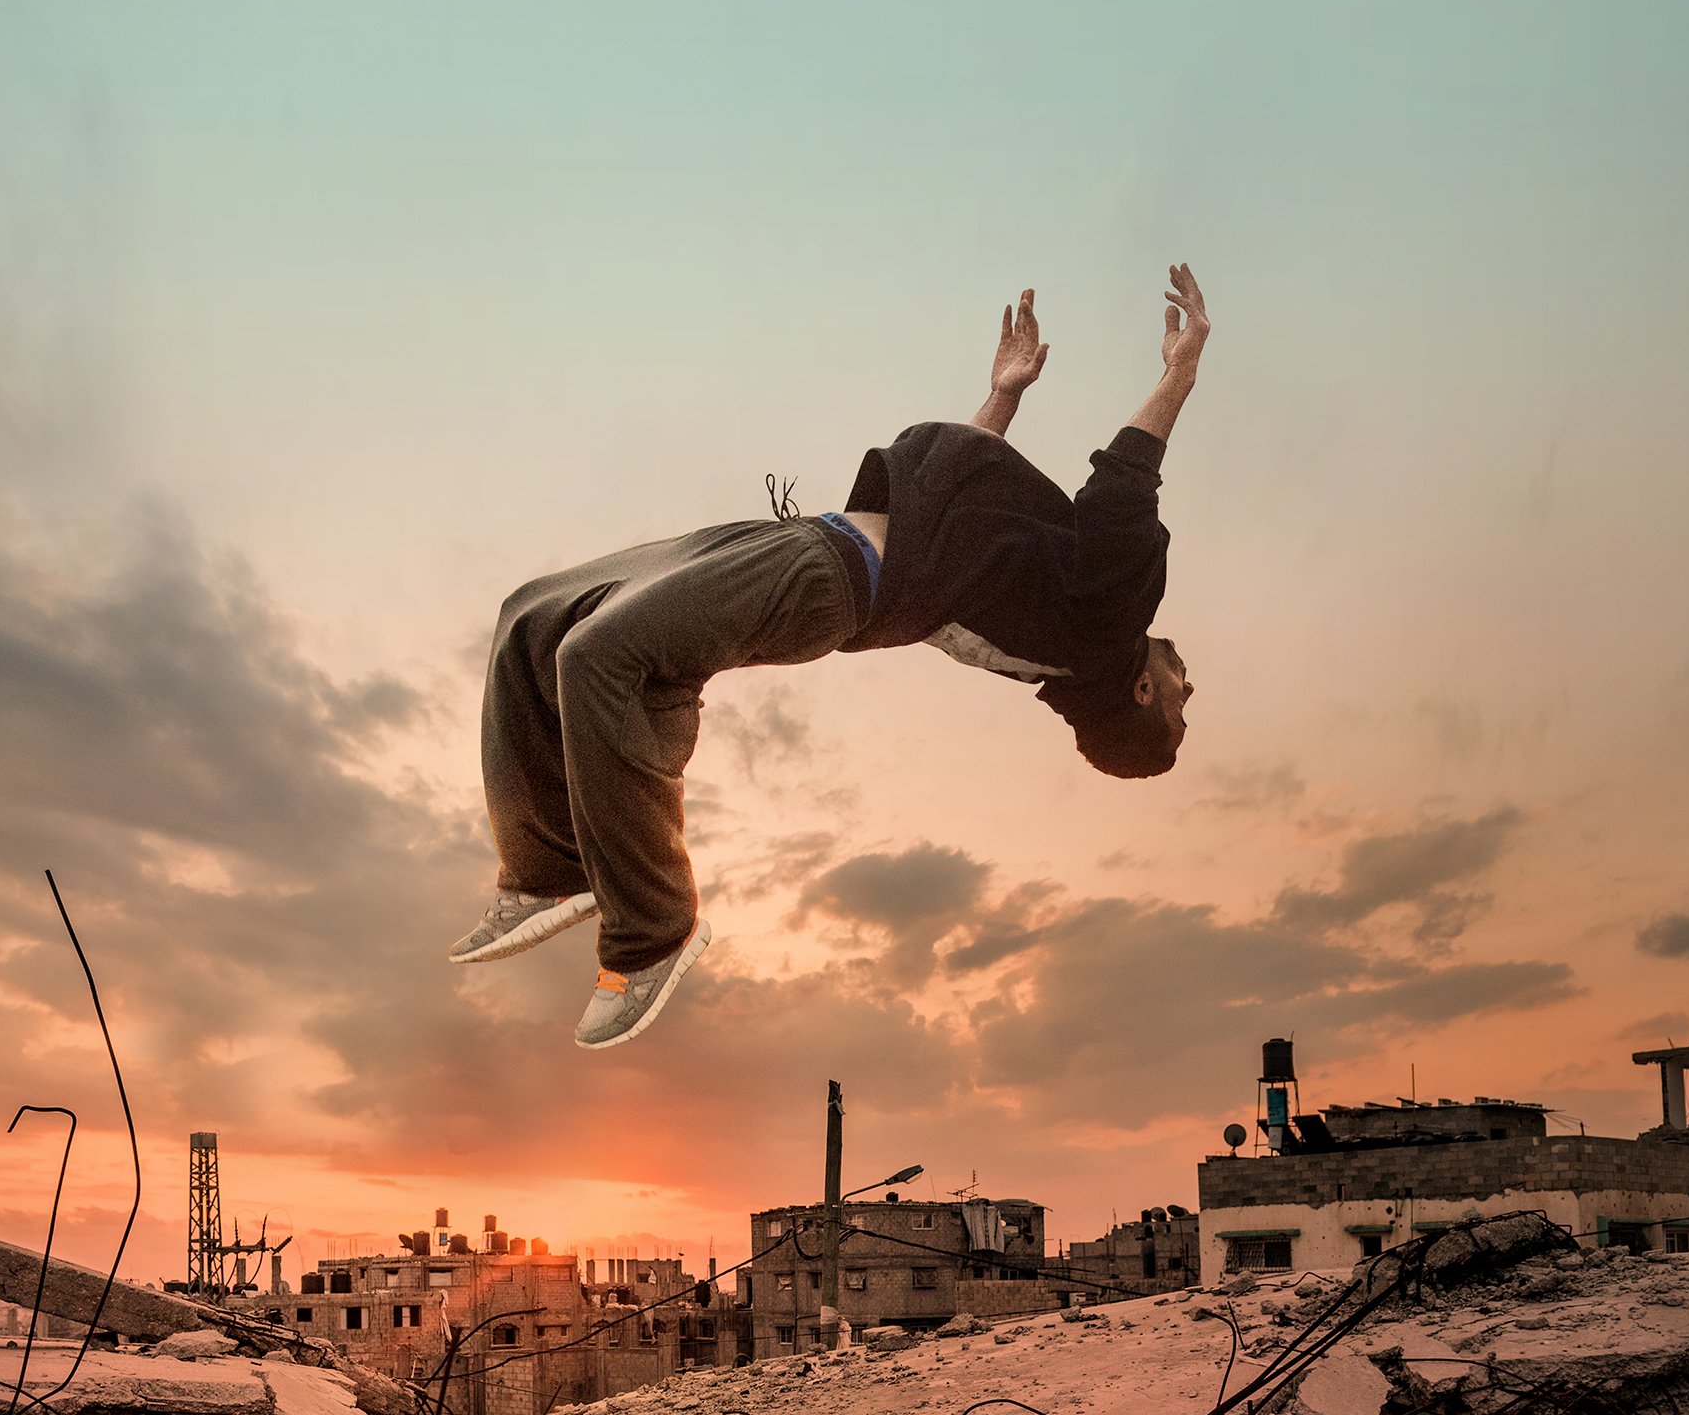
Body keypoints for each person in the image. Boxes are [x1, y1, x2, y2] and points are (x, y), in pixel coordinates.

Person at [453, 264, 1210, 1050]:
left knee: (598, 655)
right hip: (804, 540)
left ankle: (651, 935)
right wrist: (1003, 396)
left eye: (1182, 703)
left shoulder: (1104, 626)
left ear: (1140, 695)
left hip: (823, 575)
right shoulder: (1050, 633)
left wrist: (1180, 374)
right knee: (532, 613)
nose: (1190, 682)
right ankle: (549, 874)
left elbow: (1123, 483)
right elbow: (947, 492)